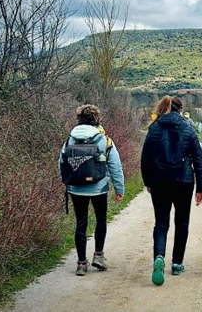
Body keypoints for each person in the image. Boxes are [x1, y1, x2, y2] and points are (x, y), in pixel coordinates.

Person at [141, 96, 202, 286]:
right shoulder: (188, 128)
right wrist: (201, 187)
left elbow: (145, 159)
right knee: (182, 221)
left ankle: (159, 257)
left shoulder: (155, 128)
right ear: (180, 109)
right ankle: (177, 263)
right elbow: (199, 159)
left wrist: (148, 182)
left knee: (161, 223)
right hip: (184, 181)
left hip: (159, 181)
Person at [58, 104, 125, 276]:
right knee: (101, 220)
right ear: (96, 119)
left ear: (79, 119)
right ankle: (98, 256)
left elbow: (61, 163)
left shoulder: (69, 140)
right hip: (99, 188)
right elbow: (115, 166)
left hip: (76, 188)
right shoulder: (104, 140)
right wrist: (119, 189)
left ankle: (81, 264)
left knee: (81, 222)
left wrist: (69, 181)